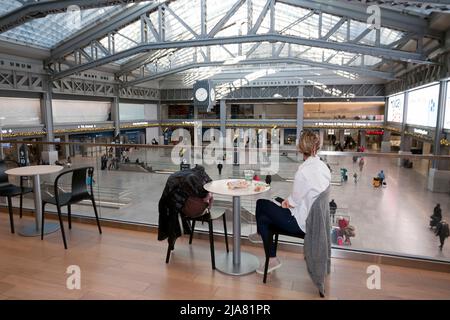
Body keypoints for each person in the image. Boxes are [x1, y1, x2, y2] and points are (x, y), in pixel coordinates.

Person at [254, 130, 331, 274]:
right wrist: (288, 201)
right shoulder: (323, 167)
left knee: (261, 205)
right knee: (264, 218)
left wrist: (285, 202)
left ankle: (263, 238)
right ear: (316, 147)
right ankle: (266, 246)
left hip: (301, 223)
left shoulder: (303, 172)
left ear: (301, 149)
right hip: (316, 220)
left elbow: (294, 201)